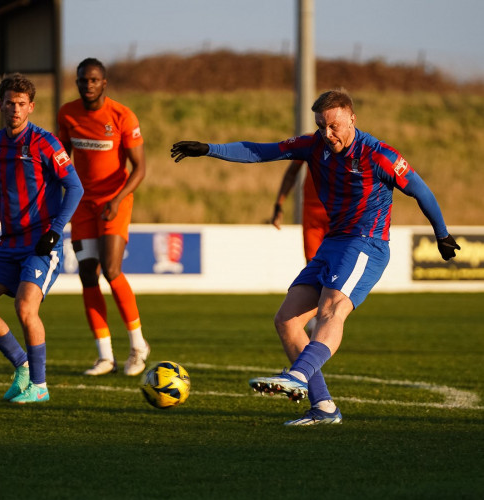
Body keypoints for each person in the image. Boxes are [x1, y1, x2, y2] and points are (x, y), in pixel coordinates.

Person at [171, 88, 460, 426]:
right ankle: (323, 407)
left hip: (366, 244)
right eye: (322, 126)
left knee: (331, 310)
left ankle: (298, 375)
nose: (328, 133)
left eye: (334, 125)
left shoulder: (378, 155)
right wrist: (210, 149)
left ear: (352, 118)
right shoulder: (314, 145)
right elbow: (262, 151)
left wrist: (441, 234)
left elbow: (420, 190)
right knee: (287, 320)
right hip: (332, 243)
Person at [0, 73, 83, 404]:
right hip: (9, 243)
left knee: (26, 308)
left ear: (31, 107)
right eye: (9, 103)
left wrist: (55, 231)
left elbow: (75, 187)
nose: (15, 109)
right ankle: (23, 366)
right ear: (0, 104)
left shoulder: (47, 143)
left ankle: (40, 386)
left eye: (21, 104)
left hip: (42, 242)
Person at [57, 57, 150, 377]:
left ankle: (138, 345)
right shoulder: (67, 113)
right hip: (82, 204)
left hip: (116, 200)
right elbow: (61, 159)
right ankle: (104, 356)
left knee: (111, 270)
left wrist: (118, 198)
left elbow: (140, 168)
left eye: (94, 80)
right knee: (86, 274)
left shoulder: (122, 115)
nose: (88, 85)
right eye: (83, 80)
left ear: (104, 82)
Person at [271, 160, 330, 333]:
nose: (327, 132)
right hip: (312, 213)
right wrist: (278, 204)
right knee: (313, 266)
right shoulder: (309, 144)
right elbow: (291, 173)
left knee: (334, 268)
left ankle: (325, 316)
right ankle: (314, 320)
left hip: (337, 214)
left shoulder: (346, 145)